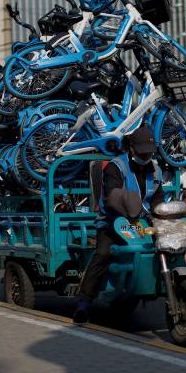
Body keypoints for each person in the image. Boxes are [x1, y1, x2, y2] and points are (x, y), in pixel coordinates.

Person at [73, 126, 165, 324]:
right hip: (114, 221)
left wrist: (160, 213)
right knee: (104, 253)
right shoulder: (116, 166)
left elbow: (157, 195)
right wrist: (130, 209)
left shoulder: (155, 168)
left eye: (149, 151)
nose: (146, 154)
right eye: (142, 151)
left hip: (145, 221)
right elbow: (112, 196)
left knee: (167, 246)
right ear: (131, 148)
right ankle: (83, 303)